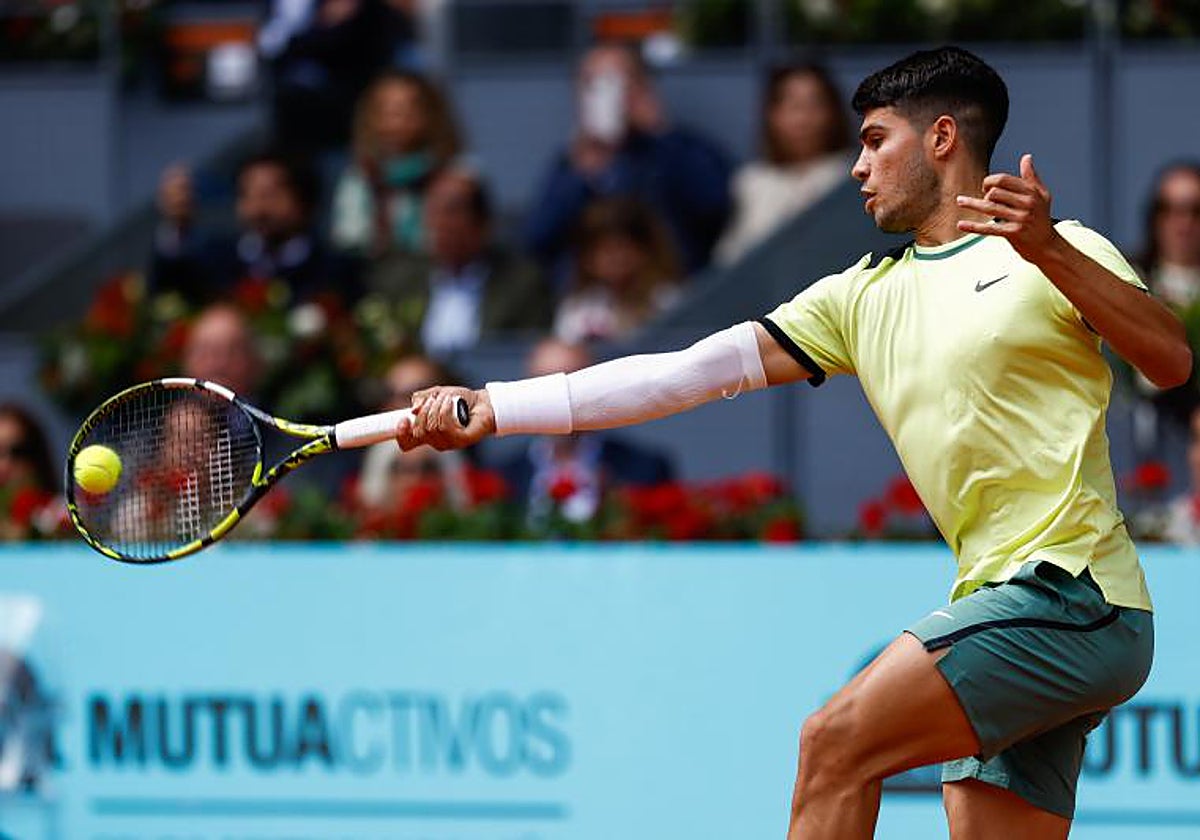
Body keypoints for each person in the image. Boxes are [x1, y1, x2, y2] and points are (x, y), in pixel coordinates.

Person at [397, 46, 1193, 838]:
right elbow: (682, 374)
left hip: (1075, 594)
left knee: (834, 742)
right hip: (1001, 604)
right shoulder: (858, 298)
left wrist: (1047, 247)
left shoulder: (1056, 250)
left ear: (942, 139)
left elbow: (1170, 358)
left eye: (876, 140)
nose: (857, 166)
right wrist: (496, 405)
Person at [523, 42, 733, 280]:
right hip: (595, 305)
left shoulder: (674, 149)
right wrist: (581, 174)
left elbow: (714, 205)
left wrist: (660, 132)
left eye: (614, 83)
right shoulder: (573, 162)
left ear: (642, 86)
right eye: (592, 85)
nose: (605, 95)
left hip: (670, 295)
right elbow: (537, 241)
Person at [367, 165, 554, 358]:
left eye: (451, 211)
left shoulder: (522, 284)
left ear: (482, 223)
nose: (438, 223)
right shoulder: (399, 280)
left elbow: (528, 357)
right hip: (421, 385)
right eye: (432, 210)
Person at [500, 338, 674, 524]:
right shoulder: (503, 477)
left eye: (567, 384)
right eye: (541, 384)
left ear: (594, 389)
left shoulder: (643, 469)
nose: (554, 398)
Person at [151, 150, 354, 308]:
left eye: (270, 195)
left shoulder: (333, 271)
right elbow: (171, 293)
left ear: (305, 203)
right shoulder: (217, 261)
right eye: (247, 195)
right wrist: (177, 226)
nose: (258, 209)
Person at [715, 61, 854, 265]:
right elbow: (730, 262)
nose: (803, 119)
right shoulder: (751, 182)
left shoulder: (854, 176)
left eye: (814, 105)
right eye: (793, 106)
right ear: (772, 115)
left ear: (833, 112)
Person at [331, 69, 463, 257]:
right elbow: (348, 239)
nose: (394, 123)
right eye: (384, 112)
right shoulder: (360, 176)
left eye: (405, 112)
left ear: (430, 115)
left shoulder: (455, 175)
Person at [1129, 161, 1200, 446]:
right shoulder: (1128, 279)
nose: (1183, 223)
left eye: (1196, 211)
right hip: (1139, 443)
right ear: (1154, 216)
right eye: (1169, 209)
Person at [555, 197, 682, 344]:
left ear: (646, 251)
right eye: (606, 251)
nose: (616, 259)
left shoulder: (667, 300)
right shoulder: (577, 308)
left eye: (623, 248)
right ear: (587, 258)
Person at [180, 304, 263, 397]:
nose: (217, 365)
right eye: (204, 353)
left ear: (254, 362)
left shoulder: (274, 410)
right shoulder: (167, 410)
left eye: (231, 353)